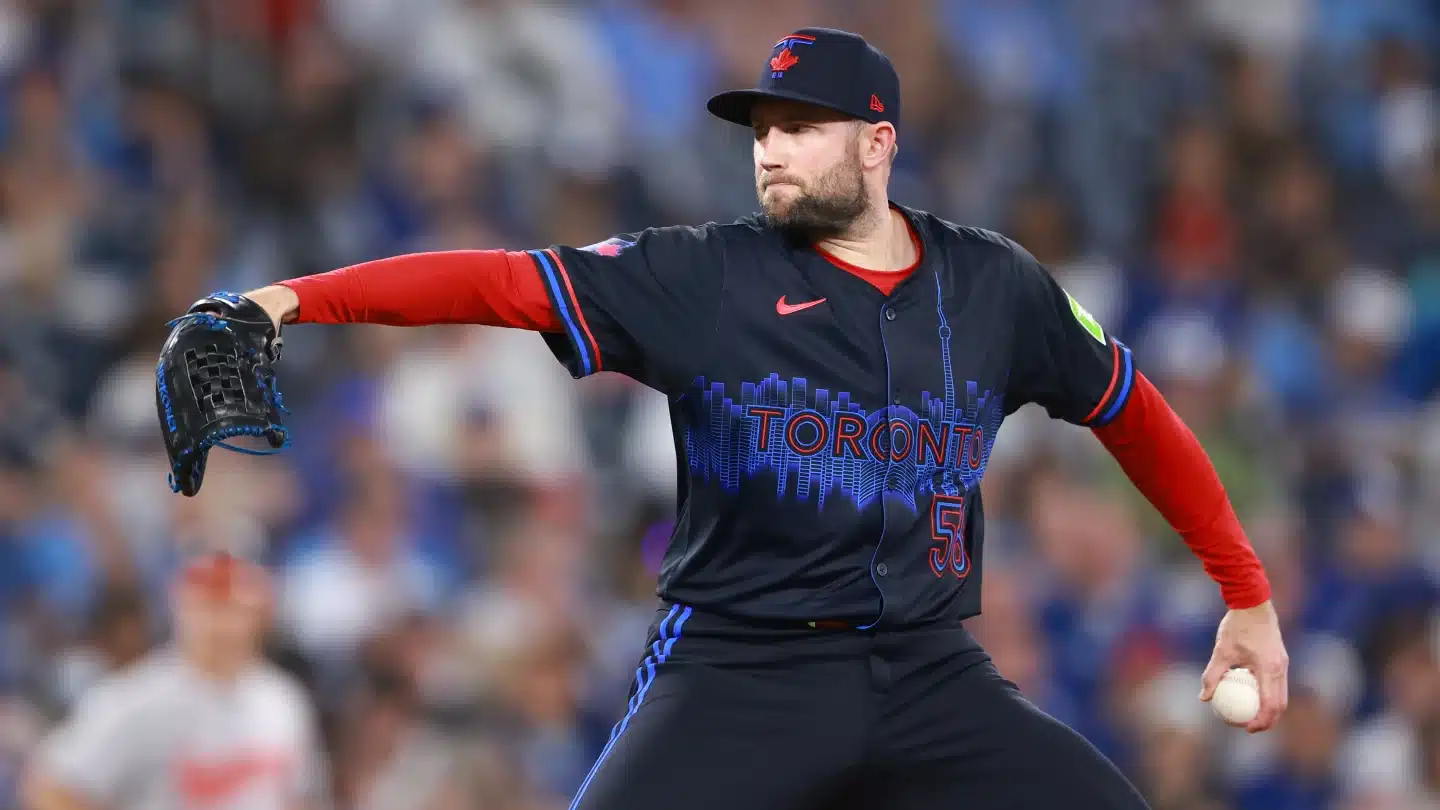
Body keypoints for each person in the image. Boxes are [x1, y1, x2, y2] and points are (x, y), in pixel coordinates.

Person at [210, 27, 1287, 810]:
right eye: (761, 129)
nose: (770, 149)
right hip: (741, 664)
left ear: (877, 144)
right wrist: (287, 300)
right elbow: (498, 282)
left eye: (801, 128)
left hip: (926, 667)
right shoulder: (705, 275)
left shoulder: (992, 285)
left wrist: (1244, 588)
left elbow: (1129, 409)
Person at [23, 553, 327, 810]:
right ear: (180, 612)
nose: (220, 624)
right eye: (208, 608)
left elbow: (301, 794)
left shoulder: (281, 699)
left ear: (258, 616)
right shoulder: (138, 698)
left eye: (232, 609)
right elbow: (53, 785)